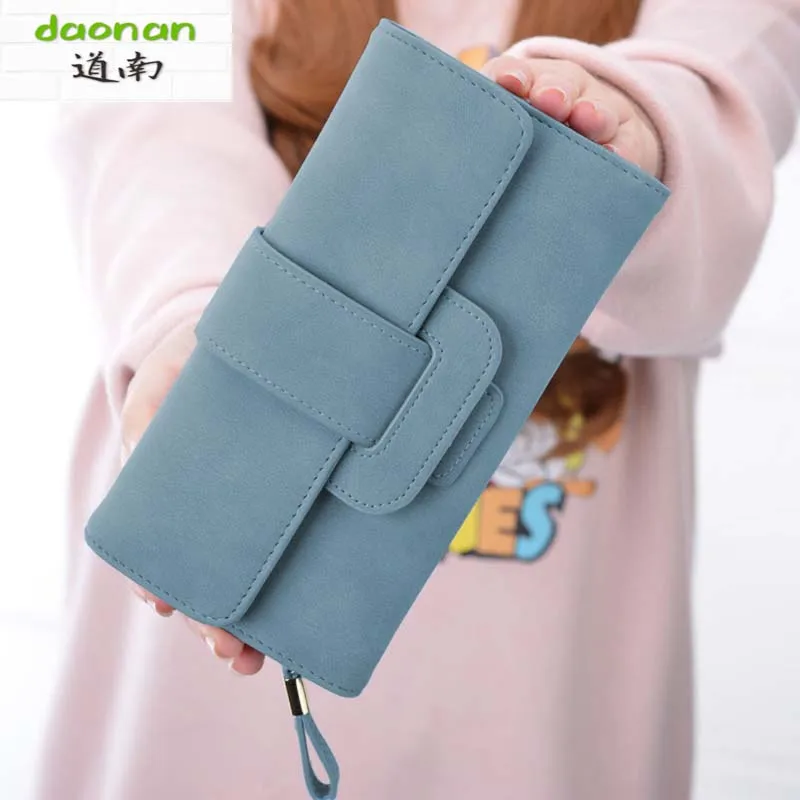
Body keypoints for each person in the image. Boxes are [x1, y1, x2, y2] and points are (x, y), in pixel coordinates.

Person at [34, 1, 800, 798]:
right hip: (210, 594)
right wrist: (200, 320)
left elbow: (730, 91)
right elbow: (126, 102)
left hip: (536, 688)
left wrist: (631, 128)